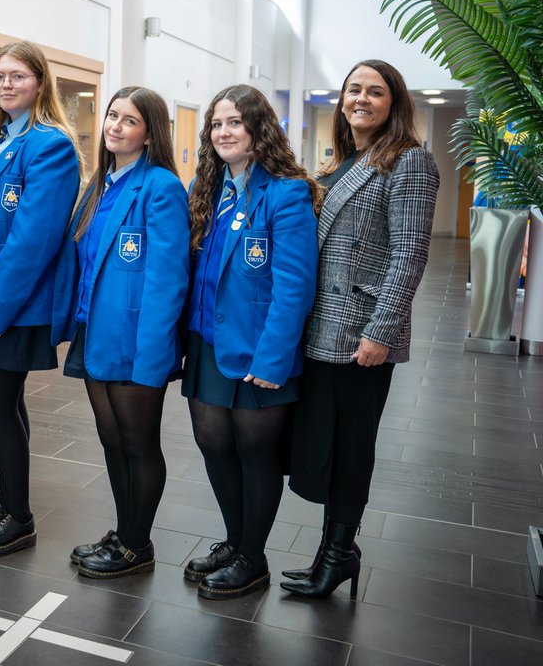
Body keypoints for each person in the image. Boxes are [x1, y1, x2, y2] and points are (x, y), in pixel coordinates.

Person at [283, 60, 439, 599]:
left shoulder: (409, 162)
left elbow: (409, 254)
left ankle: (338, 554)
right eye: (354, 90)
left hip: (360, 335)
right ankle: (335, 550)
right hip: (318, 328)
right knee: (324, 443)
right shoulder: (342, 162)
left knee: (352, 450)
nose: (362, 99)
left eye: (376, 92)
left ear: (394, 103)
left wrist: (382, 330)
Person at [180, 84, 321, 600]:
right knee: (213, 446)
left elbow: (294, 286)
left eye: (235, 122)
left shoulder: (286, 192)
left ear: (259, 128)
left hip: (259, 349)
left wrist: (274, 357)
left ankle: (253, 558)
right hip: (208, 344)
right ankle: (234, 540)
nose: (224, 132)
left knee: (254, 451)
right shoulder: (208, 186)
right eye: (217, 124)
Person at [0, 41, 82, 559]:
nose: (6, 84)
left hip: (11, 302)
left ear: (40, 83)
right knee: (3, 402)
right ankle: (8, 498)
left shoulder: (49, 145)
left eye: (18, 76)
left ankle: (19, 517)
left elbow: (33, 238)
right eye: (0, 77)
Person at [53, 87, 190, 578]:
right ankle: (125, 531)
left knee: (138, 443)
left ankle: (137, 544)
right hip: (97, 332)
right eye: (112, 116)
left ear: (149, 133)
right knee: (111, 440)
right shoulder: (100, 184)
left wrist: (153, 353)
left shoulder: (161, 187)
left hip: (137, 339)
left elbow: (168, 279)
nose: (115, 126)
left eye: (129, 120)